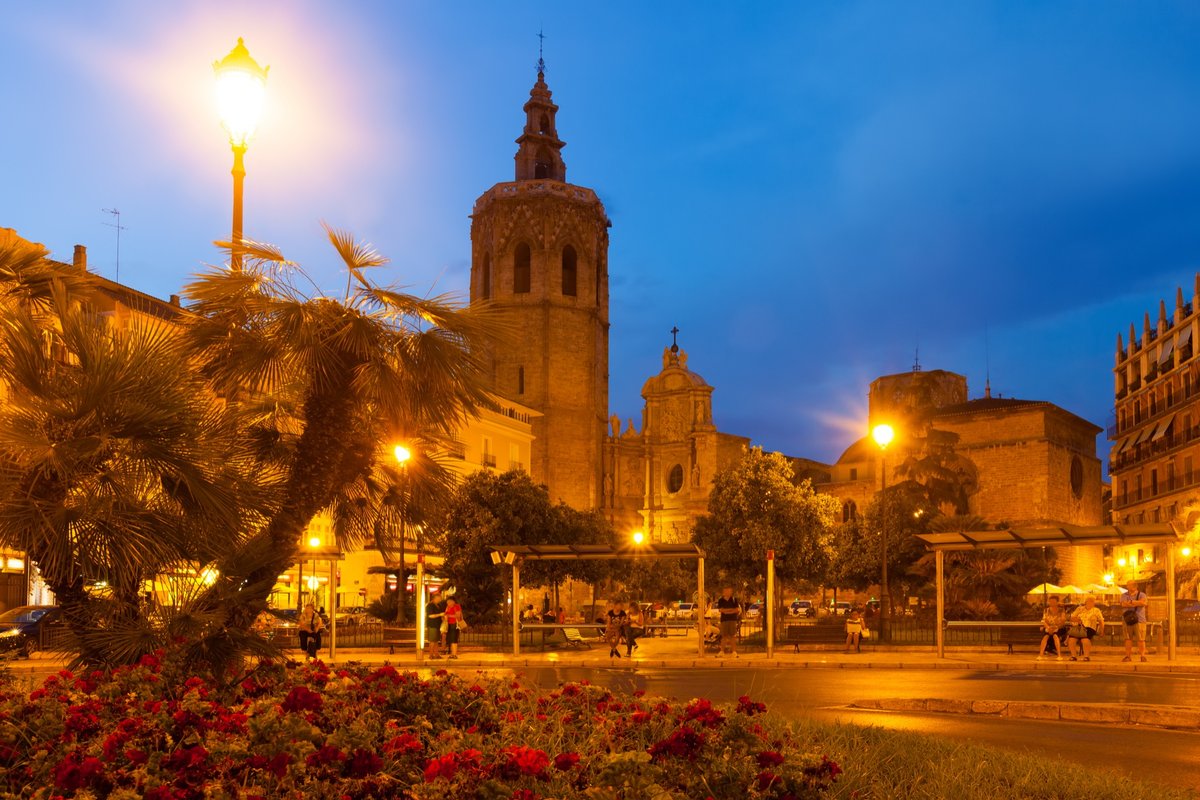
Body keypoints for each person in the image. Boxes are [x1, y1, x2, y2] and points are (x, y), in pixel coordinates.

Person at [1067, 595, 1104, 661]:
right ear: (1086, 602)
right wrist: (1077, 620)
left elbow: (1101, 621)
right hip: (1079, 627)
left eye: (1092, 601)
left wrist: (1101, 630)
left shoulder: (1096, 610)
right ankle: (1073, 656)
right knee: (1071, 639)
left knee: (1085, 639)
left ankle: (1086, 656)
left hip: (1090, 628)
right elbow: (1071, 618)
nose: (1091, 602)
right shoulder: (1080, 609)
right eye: (1089, 601)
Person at [1120, 579, 1149, 663]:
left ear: (1135, 586)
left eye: (1128, 585)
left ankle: (1142, 656)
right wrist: (1137, 603)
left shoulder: (1142, 594)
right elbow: (1123, 604)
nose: (1127, 586)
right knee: (1128, 639)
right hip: (1127, 620)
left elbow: (1143, 603)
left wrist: (1131, 602)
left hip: (1139, 619)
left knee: (1141, 639)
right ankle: (1128, 656)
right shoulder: (1124, 595)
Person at [1037, 595, 1068, 661]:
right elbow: (1044, 620)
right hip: (1049, 627)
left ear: (1057, 602)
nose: (1052, 603)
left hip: (1059, 627)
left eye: (1053, 602)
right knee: (1045, 637)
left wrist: (1056, 627)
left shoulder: (1061, 610)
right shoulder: (1046, 610)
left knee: (1055, 635)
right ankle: (1040, 655)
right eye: (1050, 601)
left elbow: (1063, 621)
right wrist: (1048, 627)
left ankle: (1059, 655)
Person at [715, 587, 742, 656]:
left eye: (729, 591)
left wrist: (726, 611)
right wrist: (731, 610)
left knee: (732, 635)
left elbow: (737, 609)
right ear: (724, 592)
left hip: (733, 620)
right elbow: (721, 610)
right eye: (726, 591)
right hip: (724, 620)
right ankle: (722, 651)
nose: (728, 592)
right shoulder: (721, 600)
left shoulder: (734, 600)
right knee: (724, 635)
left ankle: (734, 651)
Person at [425, 594, 446, 659]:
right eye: (439, 598)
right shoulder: (430, 605)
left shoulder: (438, 605)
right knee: (432, 640)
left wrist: (442, 617)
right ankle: (431, 654)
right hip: (432, 625)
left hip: (437, 625)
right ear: (434, 598)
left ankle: (436, 654)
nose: (440, 599)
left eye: (440, 598)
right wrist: (440, 614)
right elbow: (430, 615)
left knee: (436, 640)